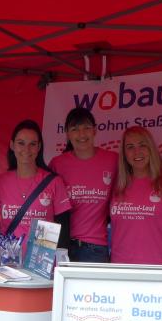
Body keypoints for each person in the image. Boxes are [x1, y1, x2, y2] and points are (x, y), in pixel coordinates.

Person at [109, 126, 162, 264]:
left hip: (157, 269)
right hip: (119, 269)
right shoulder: (117, 184)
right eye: (130, 147)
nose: (137, 152)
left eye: (142, 145)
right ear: (124, 153)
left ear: (151, 148)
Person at [49, 107, 118, 262]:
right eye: (75, 129)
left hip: (95, 248)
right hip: (62, 245)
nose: (81, 134)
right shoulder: (57, 164)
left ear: (95, 130)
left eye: (86, 128)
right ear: (67, 134)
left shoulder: (113, 160)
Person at [0, 120, 71, 248]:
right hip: (8, 258)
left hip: (41, 258)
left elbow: (63, 226)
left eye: (32, 144)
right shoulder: (0, 182)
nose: (26, 149)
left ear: (39, 147)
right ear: (12, 145)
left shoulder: (54, 182)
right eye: (21, 143)